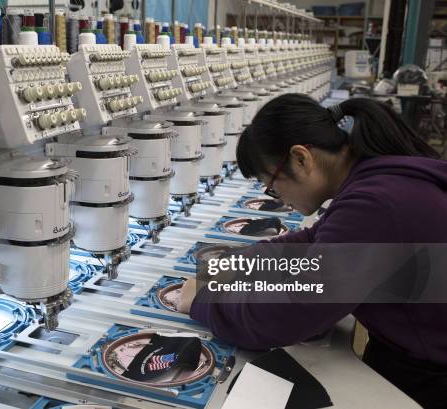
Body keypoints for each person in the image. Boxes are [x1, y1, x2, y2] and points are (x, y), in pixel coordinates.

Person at [176, 94, 447, 408]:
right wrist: (230, 266)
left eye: (272, 187)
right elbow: (309, 242)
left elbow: (285, 316)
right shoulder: (376, 181)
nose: (280, 201)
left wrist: (202, 302)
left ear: (301, 159)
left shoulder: (375, 205)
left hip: (431, 379)